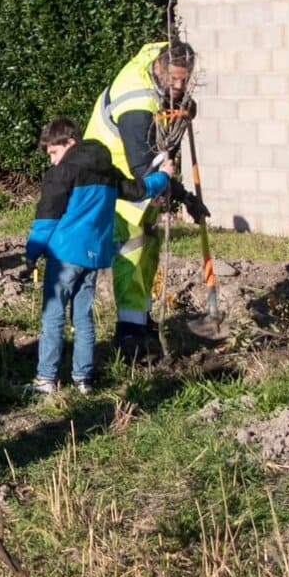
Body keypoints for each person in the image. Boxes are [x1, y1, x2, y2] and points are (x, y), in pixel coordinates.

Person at [24, 118, 174, 394]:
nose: (53, 161)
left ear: (69, 143)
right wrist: (163, 176)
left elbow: (46, 217)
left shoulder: (62, 172)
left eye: (54, 153)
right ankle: (83, 379)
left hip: (64, 253)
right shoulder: (106, 170)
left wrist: (31, 253)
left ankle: (46, 378)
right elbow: (137, 190)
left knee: (53, 316)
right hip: (94, 256)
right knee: (82, 318)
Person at [82, 40, 208, 357]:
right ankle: (128, 335)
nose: (179, 86)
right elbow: (142, 167)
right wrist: (181, 195)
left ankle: (142, 319)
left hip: (141, 177)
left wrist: (182, 108)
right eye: (174, 80)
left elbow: (166, 42)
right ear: (159, 69)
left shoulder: (161, 53)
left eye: (185, 79)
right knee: (131, 251)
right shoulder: (136, 105)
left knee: (149, 247)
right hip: (114, 178)